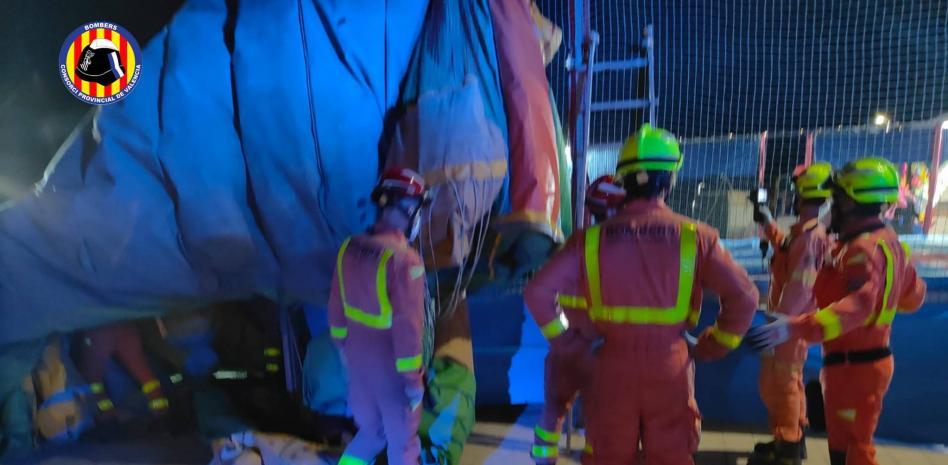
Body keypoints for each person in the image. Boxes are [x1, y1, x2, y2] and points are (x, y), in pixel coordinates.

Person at [524, 124, 759, 465]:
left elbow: (537, 293)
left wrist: (568, 342)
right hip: (671, 365)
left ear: (625, 179)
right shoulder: (696, 237)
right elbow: (745, 296)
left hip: (609, 366)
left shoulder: (588, 240)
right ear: (670, 178)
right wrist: (712, 345)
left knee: (607, 455)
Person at [748, 157, 927, 465]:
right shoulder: (884, 244)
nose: (832, 205)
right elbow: (914, 297)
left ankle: (789, 442)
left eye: (838, 198)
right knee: (843, 447)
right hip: (850, 364)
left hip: (857, 366)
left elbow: (856, 306)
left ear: (853, 202)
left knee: (854, 450)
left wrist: (794, 326)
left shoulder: (863, 250)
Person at [330, 167, 431, 465]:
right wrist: (413, 383)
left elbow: (336, 311)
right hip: (392, 373)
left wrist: (345, 355)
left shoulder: (348, 248)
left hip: (357, 367)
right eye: (419, 210)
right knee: (403, 445)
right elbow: (408, 330)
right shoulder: (405, 261)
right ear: (408, 208)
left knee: (370, 434)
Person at [528, 175, 626, 464]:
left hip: (566, 349)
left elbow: (542, 292)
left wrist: (562, 340)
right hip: (600, 350)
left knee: (553, 410)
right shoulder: (622, 251)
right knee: (600, 417)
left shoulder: (575, 244)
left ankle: (544, 459)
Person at [747, 163, 833, 465]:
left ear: (801, 195)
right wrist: (769, 222)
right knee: (785, 383)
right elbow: (785, 247)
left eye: (794, 192)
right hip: (787, 323)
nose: (791, 197)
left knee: (783, 384)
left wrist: (777, 327)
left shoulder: (811, 238)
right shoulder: (805, 234)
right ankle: (788, 439)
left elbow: (800, 289)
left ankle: (789, 447)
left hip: (789, 325)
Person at [78, 322, 171, 422]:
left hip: (100, 326)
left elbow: (93, 378)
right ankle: (160, 409)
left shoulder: (101, 338)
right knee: (141, 369)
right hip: (121, 323)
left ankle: (158, 410)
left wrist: (107, 411)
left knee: (96, 375)